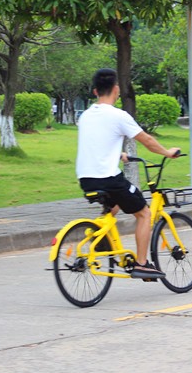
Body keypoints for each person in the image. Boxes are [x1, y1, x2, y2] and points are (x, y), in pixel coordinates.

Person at [76, 68, 180, 280]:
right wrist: (167, 153)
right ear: (116, 90)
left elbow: (97, 144)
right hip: (108, 179)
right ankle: (142, 264)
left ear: (96, 91)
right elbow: (148, 141)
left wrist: (118, 154)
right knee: (144, 213)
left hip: (86, 179)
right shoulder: (119, 115)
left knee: (114, 204)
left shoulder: (85, 116)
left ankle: (100, 235)